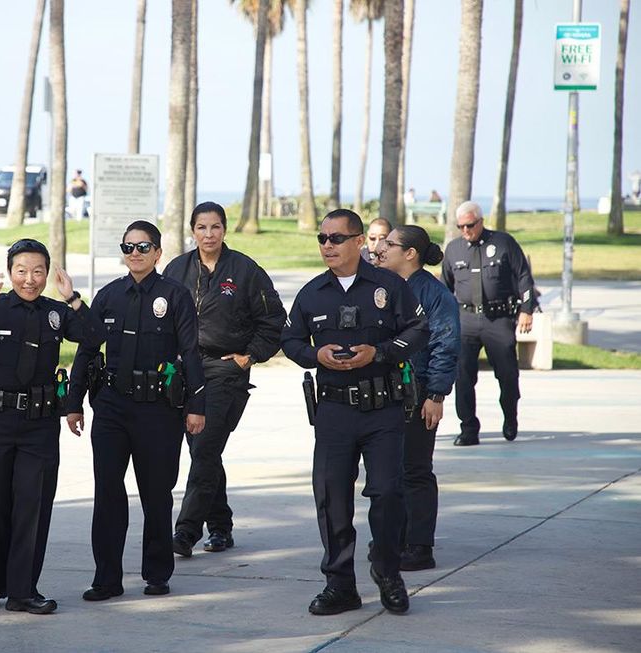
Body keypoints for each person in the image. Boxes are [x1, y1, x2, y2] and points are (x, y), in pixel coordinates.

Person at [281, 209, 429, 616]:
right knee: (331, 497)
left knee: (388, 493)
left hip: (382, 409)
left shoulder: (388, 286)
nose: (327, 245)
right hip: (333, 411)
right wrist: (316, 355)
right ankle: (340, 585)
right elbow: (290, 340)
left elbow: (419, 330)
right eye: (322, 238)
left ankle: (387, 571)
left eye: (336, 238)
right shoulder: (312, 293)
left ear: (359, 241)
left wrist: (378, 352)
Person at [66, 220, 206, 600]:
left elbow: (191, 352)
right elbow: (87, 350)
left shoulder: (175, 296)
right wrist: (74, 403)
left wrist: (197, 405)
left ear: (157, 253)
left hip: (158, 410)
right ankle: (106, 578)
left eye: (143, 247)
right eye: (128, 247)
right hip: (112, 407)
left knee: (156, 494)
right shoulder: (109, 296)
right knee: (107, 494)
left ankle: (157, 574)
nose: (135, 253)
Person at [0, 239, 92, 616]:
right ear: (10, 272)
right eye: (21, 271)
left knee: (32, 504)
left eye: (38, 271)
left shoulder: (56, 312)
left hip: (38, 423)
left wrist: (72, 298)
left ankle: (23, 591)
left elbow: (93, 337)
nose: (30, 279)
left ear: (47, 274)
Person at [164, 201, 285, 557]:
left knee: (204, 447)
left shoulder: (246, 270)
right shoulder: (176, 269)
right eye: (201, 227)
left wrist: (250, 356)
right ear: (192, 231)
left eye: (215, 227)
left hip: (224, 371)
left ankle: (185, 532)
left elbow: (274, 321)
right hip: (184, 370)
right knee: (205, 452)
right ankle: (220, 526)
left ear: (225, 229)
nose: (209, 234)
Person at [375, 225, 461, 571]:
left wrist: (436, 395)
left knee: (415, 470)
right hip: (385, 393)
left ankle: (419, 546)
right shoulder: (384, 285)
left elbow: (446, 345)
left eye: (390, 244)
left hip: (419, 392)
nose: (381, 248)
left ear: (410, 253)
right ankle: (394, 538)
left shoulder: (433, 294)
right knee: (388, 471)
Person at [442, 201, 536, 446]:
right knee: (463, 377)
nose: (465, 230)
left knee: (507, 375)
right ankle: (468, 429)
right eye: (460, 226)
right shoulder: (453, 249)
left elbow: (524, 277)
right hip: (465, 320)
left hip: (498, 319)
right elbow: (444, 287)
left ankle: (510, 417)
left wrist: (527, 310)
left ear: (481, 221)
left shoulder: (503, 243)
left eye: (470, 225)